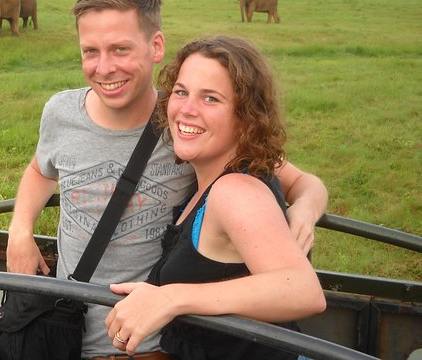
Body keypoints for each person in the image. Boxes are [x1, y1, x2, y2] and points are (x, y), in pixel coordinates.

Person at [6, 0, 328, 359]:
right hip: (69, 326)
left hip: (155, 342)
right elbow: (41, 169)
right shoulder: (66, 113)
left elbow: (297, 181)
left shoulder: (184, 129)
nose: (104, 67)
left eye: (120, 49)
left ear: (155, 46)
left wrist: (305, 211)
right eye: (90, 51)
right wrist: (20, 230)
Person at [104, 36, 327, 359]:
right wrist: (306, 206)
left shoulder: (234, 190)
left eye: (210, 99)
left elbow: (303, 291)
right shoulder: (239, 164)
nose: (187, 110)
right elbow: (307, 182)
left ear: (245, 115)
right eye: (181, 92)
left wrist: (172, 298)